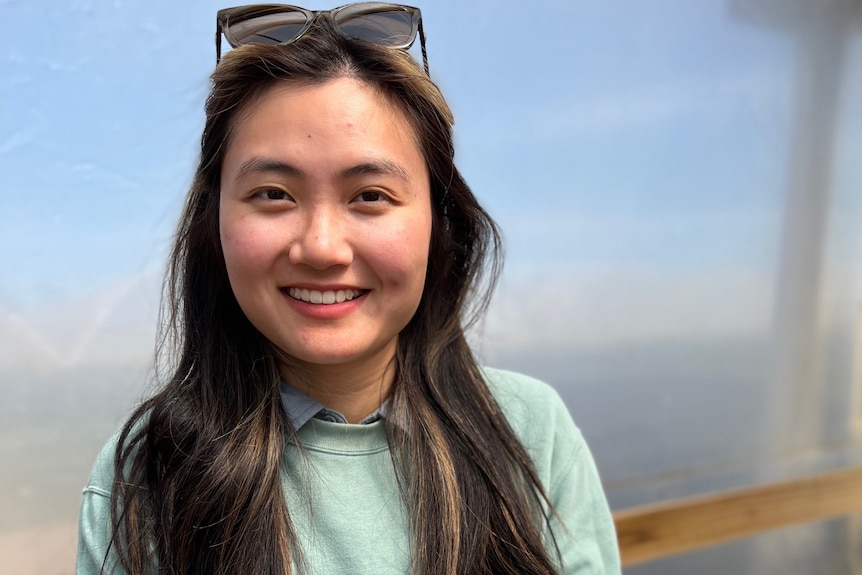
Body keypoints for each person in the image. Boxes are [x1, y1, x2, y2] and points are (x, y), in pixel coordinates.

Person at [76, 4, 620, 574]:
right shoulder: (149, 472)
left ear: (438, 221)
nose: (322, 247)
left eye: (371, 196)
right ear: (215, 221)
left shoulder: (530, 431)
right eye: (273, 194)